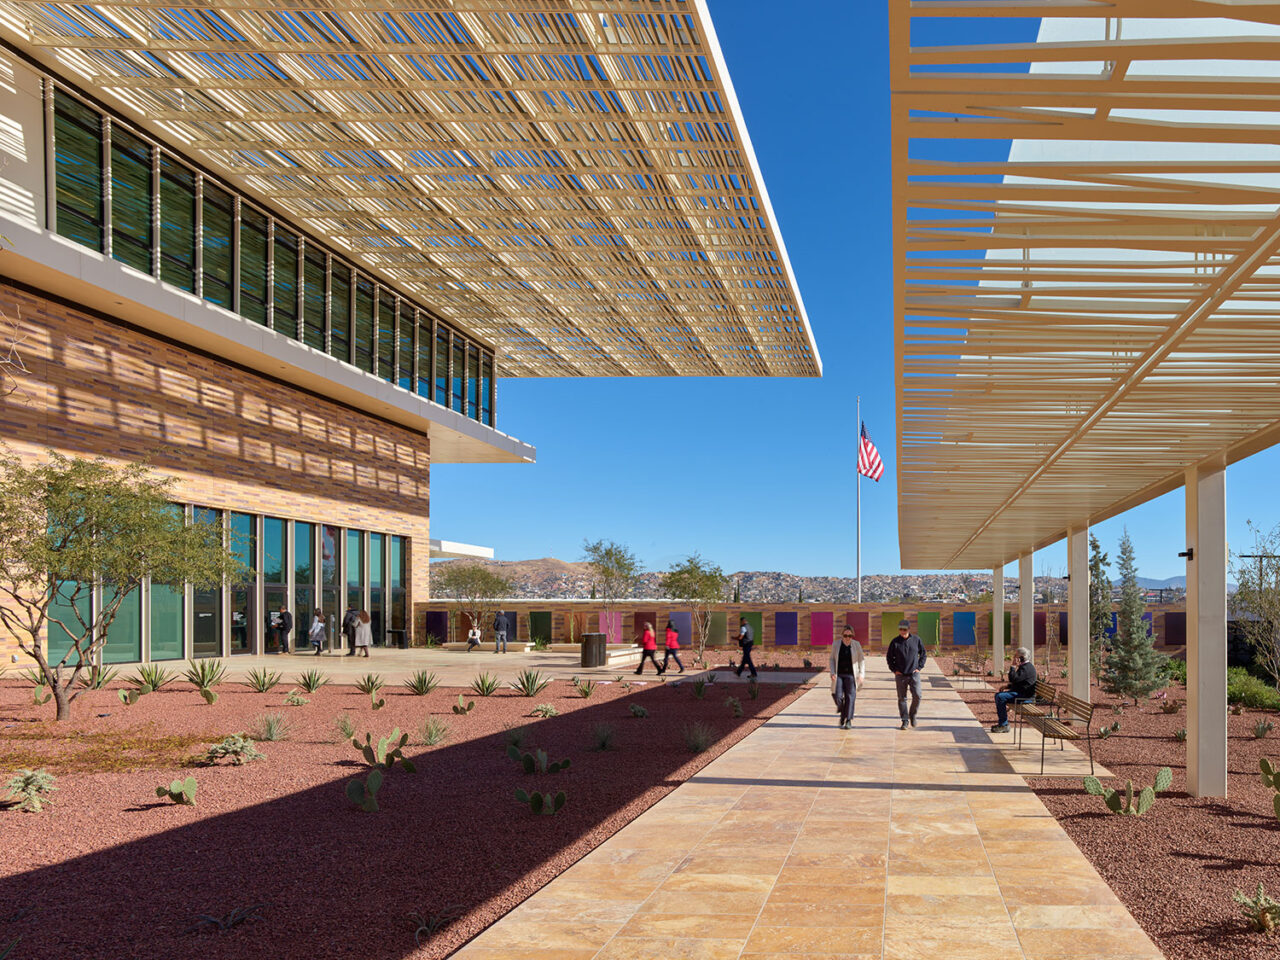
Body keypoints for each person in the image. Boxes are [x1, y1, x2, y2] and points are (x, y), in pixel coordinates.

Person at [886, 618, 926, 730]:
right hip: (901, 675)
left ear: (909, 629)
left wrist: (919, 667)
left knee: (918, 696)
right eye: (900, 629)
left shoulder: (916, 640)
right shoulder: (895, 642)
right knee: (902, 698)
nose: (902, 631)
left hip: (914, 674)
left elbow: (923, 654)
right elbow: (889, 658)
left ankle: (912, 714)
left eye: (904, 629)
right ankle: (904, 720)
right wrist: (894, 670)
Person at [991, 647, 1037, 733]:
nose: (1014, 657)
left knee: (1000, 697)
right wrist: (1007, 686)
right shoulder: (1024, 666)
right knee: (998, 695)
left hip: (1025, 697)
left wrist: (1012, 666)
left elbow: (1013, 679)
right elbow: (1018, 681)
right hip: (1021, 693)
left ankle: (1004, 725)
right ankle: (1003, 723)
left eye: (1016, 655)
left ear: (1021, 657)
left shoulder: (1026, 668)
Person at [829, 626, 866, 730]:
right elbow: (832, 659)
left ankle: (848, 720)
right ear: (842, 635)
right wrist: (832, 672)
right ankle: (843, 713)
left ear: (852, 636)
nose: (847, 638)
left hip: (851, 675)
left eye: (850, 636)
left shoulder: (856, 645)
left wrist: (861, 675)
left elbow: (861, 660)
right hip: (839, 675)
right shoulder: (836, 644)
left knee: (850, 697)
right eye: (845, 635)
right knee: (838, 697)